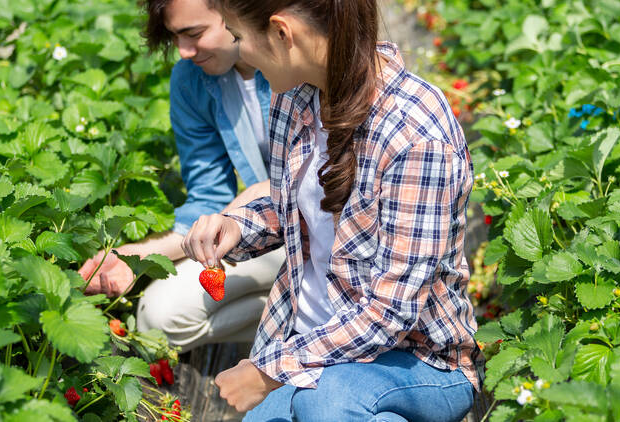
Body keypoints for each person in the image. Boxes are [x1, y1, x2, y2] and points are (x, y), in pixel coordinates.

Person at [181, 0, 484, 420]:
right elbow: (308, 207)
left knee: (328, 403)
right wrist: (238, 226)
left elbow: (390, 313)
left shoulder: (415, 135)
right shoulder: (295, 98)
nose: (238, 52)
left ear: (282, 33)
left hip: (414, 359)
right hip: (305, 342)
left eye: (237, 35)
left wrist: (267, 373)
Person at [78, 0, 285, 352]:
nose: (184, 51)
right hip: (264, 231)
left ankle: (308, 317)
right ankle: (295, 316)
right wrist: (135, 256)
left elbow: (314, 174)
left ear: (234, 12)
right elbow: (210, 199)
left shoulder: (294, 58)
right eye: (174, 36)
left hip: (333, 229)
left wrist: (234, 215)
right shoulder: (192, 81)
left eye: (194, 34)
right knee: (159, 319)